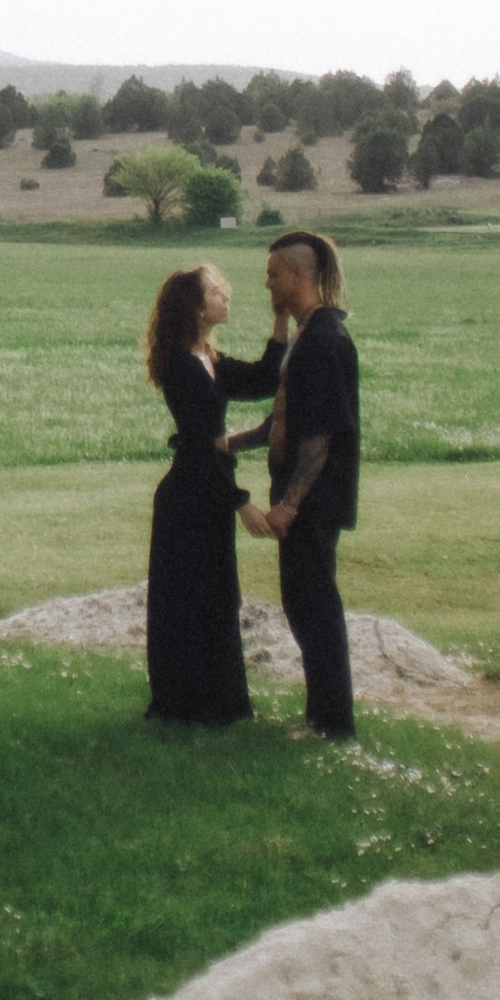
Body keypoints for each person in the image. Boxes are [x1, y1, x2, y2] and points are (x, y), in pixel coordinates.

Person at [141, 260, 283, 724]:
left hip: (204, 489)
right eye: (217, 292)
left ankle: (214, 704)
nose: (227, 298)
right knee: (190, 600)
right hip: (189, 495)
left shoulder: (211, 361)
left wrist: (281, 320)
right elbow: (202, 446)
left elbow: (264, 378)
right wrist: (242, 503)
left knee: (217, 596)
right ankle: (187, 706)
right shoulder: (183, 366)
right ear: (195, 307)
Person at [236, 228, 361, 735]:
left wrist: (288, 504)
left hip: (314, 503)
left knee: (315, 611)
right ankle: (322, 717)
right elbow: (279, 423)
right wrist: (223, 442)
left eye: (272, 275)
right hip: (302, 503)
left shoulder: (326, 340)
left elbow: (321, 436)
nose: (266, 284)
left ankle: (331, 723)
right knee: (304, 606)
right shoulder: (306, 335)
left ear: (297, 275)